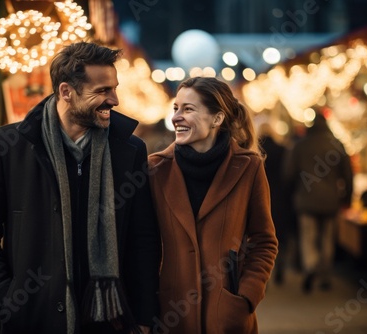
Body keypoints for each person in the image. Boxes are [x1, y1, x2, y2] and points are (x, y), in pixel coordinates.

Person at [0, 42, 161, 334]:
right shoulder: (8, 147)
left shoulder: (129, 150)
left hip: (110, 321)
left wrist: (143, 317)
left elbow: (143, 240)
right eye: (103, 90)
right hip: (32, 319)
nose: (115, 100)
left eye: (114, 88)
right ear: (66, 92)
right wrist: (4, 300)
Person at [148, 77, 278, 334]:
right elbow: (141, 243)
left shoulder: (249, 167)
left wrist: (246, 297)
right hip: (169, 314)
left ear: (217, 119)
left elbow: (264, 241)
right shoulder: (155, 169)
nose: (176, 117)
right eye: (176, 108)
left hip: (227, 316)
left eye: (188, 109)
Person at [283, 110, 353, 293]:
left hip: (305, 199)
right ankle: (325, 274)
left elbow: (288, 174)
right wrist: (348, 198)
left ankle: (310, 267)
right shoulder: (336, 145)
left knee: (308, 236)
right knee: (327, 238)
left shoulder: (301, 145)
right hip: (331, 200)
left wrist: (292, 194)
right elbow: (348, 174)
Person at [259, 124, 295, 285]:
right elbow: (289, 175)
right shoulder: (283, 150)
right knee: (280, 236)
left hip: (261, 198)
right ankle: (280, 266)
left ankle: (263, 273)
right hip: (280, 198)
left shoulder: (255, 153)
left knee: (261, 236)